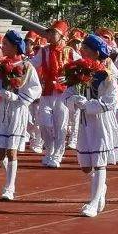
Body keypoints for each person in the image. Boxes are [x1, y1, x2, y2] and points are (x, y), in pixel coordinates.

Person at [67, 34, 118, 217]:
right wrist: (73, 99)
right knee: (85, 166)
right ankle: (101, 187)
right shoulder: (78, 70)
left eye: (86, 49)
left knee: (99, 163)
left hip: (101, 121)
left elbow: (111, 102)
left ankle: (93, 201)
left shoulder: (108, 75)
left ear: (96, 52)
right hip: (84, 121)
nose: (81, 51)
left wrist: (88, 105)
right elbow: (67, 93)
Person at [0, 30, 42, 201]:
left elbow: (35, 88)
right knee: (0, 152)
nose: (4, 47)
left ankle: (9, 187)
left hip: (17, 111)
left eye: (7, 45)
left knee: (11, 151)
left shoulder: (27, 66)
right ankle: (10, 173)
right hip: (1, 111)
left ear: (16, 46)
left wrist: (17, 97)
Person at [30, 20, 80, 168]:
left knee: (61, 125)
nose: (50, 35)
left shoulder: (69, 51)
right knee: (44, 123)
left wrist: (71, 77)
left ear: (61, 35)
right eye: (49, 32)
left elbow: (82, 66)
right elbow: (33, 64)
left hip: (63, 92)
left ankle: (57, 155)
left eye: (54, 33)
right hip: (46, 92)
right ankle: (49, 149)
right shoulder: (44, 50)